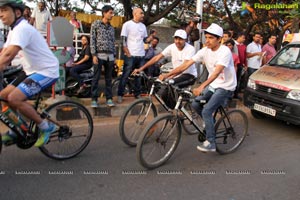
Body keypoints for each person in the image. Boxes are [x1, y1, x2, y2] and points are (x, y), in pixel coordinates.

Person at [160, 23, 236, 152]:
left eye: (211, 38)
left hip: (226, 86)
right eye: (206, 37)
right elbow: (186, 65)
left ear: (219, 39)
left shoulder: (225, 51)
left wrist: (201, 86)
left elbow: (217, 72)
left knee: (206, 110)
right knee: (195, 104)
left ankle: (211, 142)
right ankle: (210, 122)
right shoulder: (204, 50)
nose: (208, 40)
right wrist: (167, 75)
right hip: (213, 84)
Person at [0, 0, 59, 147]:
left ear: (17, 12)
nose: (1, 14)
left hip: (46, 71)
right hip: (30, 71)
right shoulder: (14, 30)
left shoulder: (23, 29)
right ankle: (17, 127)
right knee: (3, 96)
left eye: (4, 10)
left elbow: (8, 57)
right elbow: (3, 53)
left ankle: (46, 127)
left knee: (14, 98)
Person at [133, 29, 197, 87]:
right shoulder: (172, 47)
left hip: (189, 75)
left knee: (171, 85)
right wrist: (141, 68)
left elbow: (183, 67)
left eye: (180, 39)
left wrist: (166, 75)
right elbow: (157, 58)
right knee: (162, 89)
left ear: (185, 40)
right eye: (176, 39)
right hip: (176, 75)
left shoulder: (190, 49)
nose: (177, 41)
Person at [117, 7, 152, 103]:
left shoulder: (143, 26)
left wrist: (150, 38)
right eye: (141, 13)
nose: (143, 15)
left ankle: (137, 94)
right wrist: (127, 52)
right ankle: (120, 94)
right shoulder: (127, 25)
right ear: (135, 14)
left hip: (141, 55)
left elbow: (145, 40)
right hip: (130, 55)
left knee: (138, 76)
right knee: (125, 75)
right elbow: (123, 40)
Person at [90, 5, 115, 107]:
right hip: (99, 55)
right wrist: (94, 54)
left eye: (112, 13)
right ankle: (94, 100)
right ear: (104, 13)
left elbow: (113, 42)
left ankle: (109, 98)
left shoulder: (111, 28)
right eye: (110, 13)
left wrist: (114, 55)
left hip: (110, 56)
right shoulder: (96, 24)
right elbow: (92, 39)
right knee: (96, 78)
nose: (112, 15)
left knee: (109, 79)